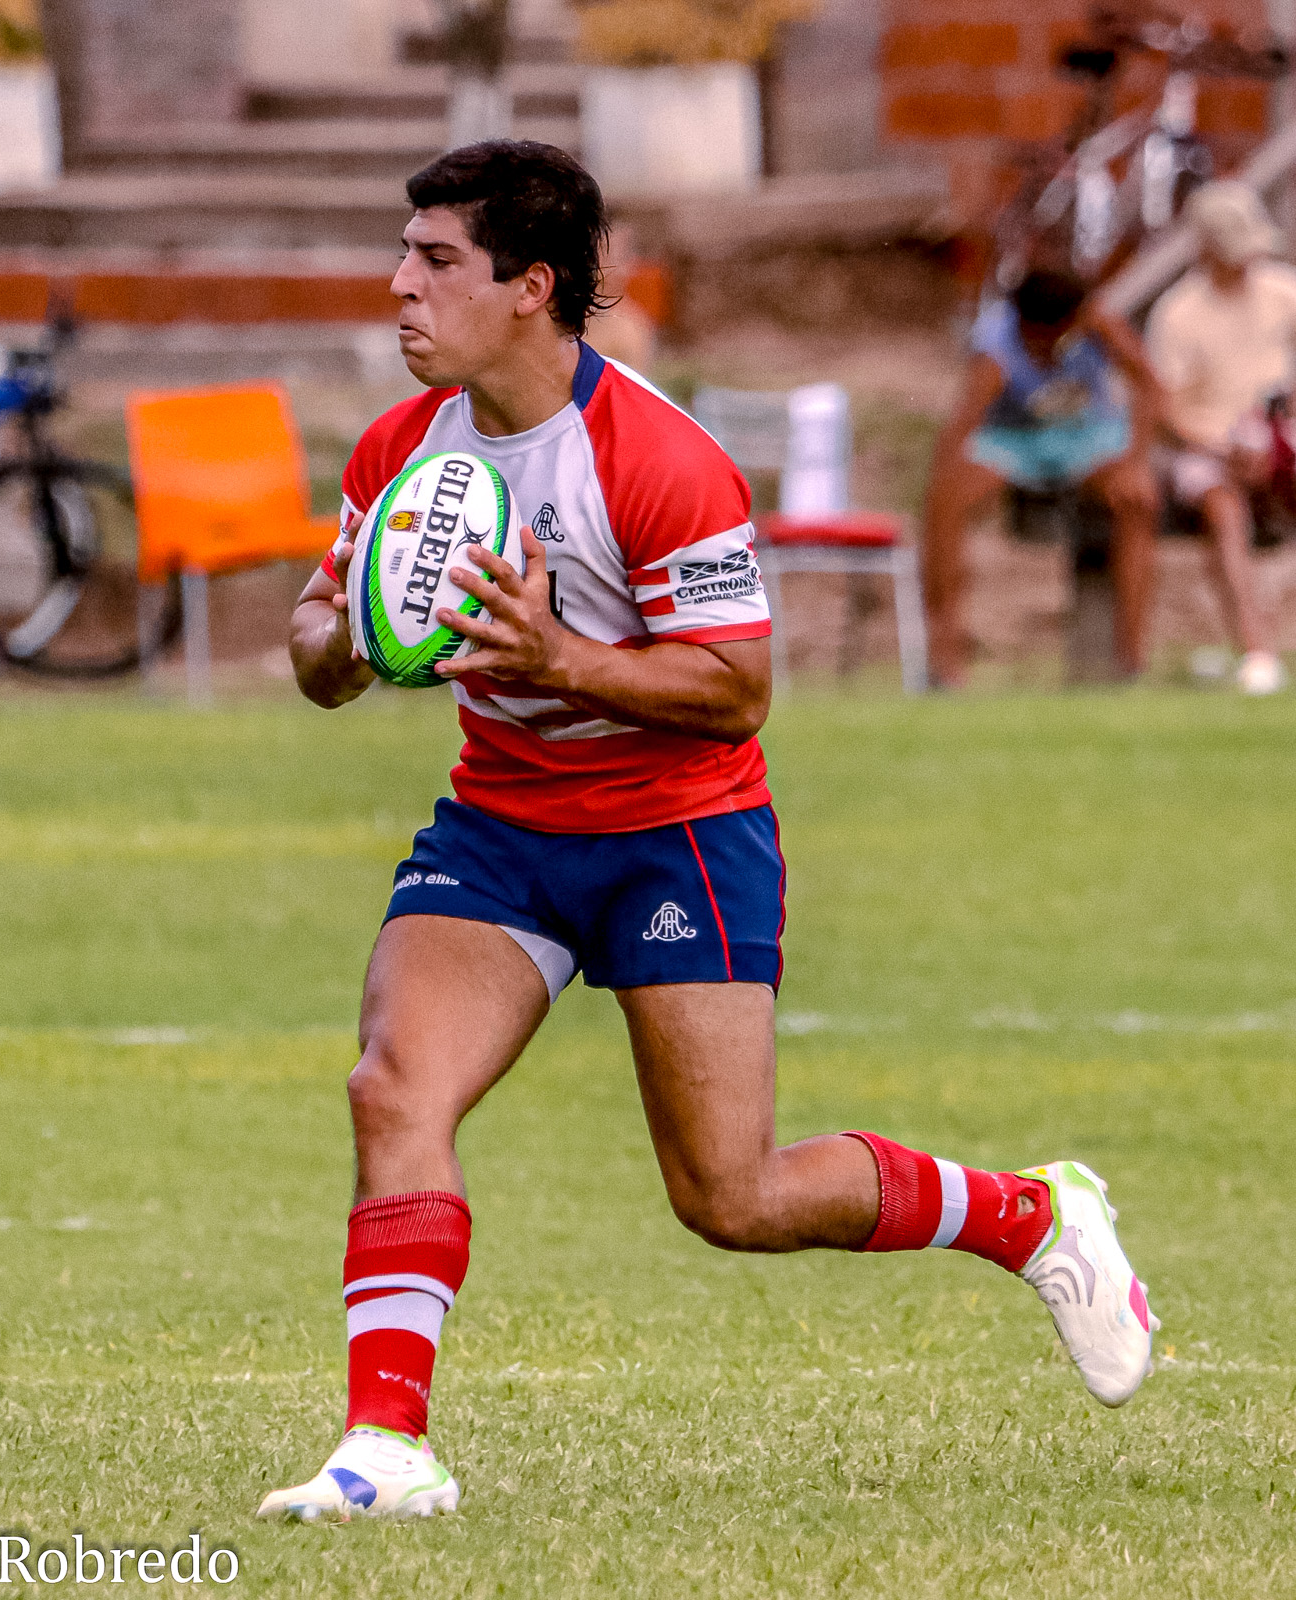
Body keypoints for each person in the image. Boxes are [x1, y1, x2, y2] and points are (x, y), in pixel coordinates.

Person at [260, 142, 1156, 1524]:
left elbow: (734, 690)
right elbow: (320, 635)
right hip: (500, 829)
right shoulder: (401, 449)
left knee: (730, 1196)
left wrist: (555, 654)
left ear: (529, 287)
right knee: (393, 1090)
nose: (398, 285)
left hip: (676, 834)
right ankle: (385, 1449)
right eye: (404, 252)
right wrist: (358, 649)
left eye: (433, 259)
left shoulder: (658, 459)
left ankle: (1026, 1216)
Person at [922, 268, 1162, 688]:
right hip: (1014, 442)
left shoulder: (1098, 323)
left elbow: (1150, 386)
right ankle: (945, 659)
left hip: (1086, 437)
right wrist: (945, 482)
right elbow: (964, 423)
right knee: (946, 502)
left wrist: (1136, 460)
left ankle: (1131, 663)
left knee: (1138, 498)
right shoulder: (996, 345)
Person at [1145, 180, 1294, 695]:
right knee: (1222, 508)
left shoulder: (1284, 291)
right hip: (1205, 447)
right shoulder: (1178, 313)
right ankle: (1257, 652)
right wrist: (1223, 450)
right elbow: (1165, 413)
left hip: (1280, 437)